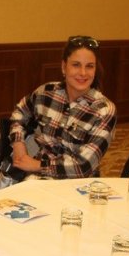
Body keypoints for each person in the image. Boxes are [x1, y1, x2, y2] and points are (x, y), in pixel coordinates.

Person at [9, 35, 117, 178]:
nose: (83, 73)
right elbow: (19, 114)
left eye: (89, 66)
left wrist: (38, 165)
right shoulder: (46, 93)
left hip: (77, 184)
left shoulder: (104, 110)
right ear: (63, 67)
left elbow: (83, 166)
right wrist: (18, 144)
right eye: (76, 65)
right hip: (35, 178)